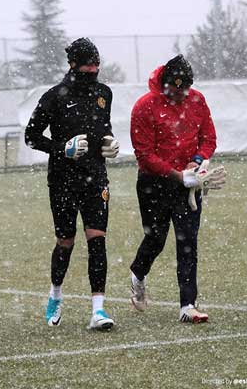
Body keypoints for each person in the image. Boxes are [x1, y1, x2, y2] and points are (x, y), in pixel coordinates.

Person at [25, 38, 121, 330]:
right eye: (87, 65)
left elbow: (104, 129)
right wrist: (62, 148)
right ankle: (55, 294)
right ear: (73, 66)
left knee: (97, 240)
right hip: (63, 180)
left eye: (96, 64)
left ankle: (98, 310)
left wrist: (110, 143)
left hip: (96, 178)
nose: (93, 69)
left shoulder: (104, 93)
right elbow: (31, 136)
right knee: (65, 242)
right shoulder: (55, 96)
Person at [128, 54, 221, 323]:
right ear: (163, 84)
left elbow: (209, 138)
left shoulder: (197, 100)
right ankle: (138, 273)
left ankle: (187, 304)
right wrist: (178, 175)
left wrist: (198, 161)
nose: (179, 96)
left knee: (188, 242)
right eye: (173, 90)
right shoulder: (145, 106)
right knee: (155, 239)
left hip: (188, 182)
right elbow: (144, 155)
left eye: (184, 90)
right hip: (154, 184)